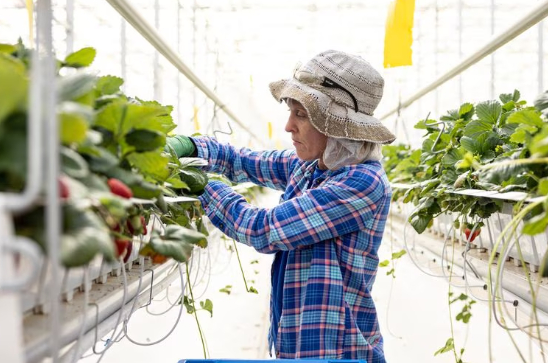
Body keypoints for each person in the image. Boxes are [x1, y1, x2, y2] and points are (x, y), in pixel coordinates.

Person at [167, 50, 396, 362]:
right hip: (299, 349)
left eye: (302, 115)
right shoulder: (312, 165)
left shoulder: (361, 183)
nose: (289, 126)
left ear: (338, 126)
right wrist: (194, 147)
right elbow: (244, 161)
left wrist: (204, 185)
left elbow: (262, 229)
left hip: (338, 354)